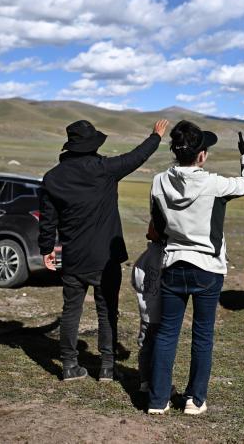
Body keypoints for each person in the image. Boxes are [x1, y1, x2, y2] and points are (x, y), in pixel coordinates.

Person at [38, 118, 170, 382]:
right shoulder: (104, 169)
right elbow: (136, 157)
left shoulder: (52, 178)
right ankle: (107, 367)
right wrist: (155, 136)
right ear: (93, 146)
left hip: (73, 256)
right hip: (105, 258)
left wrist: (47, 248)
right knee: (107, 310)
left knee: (71, 311)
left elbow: (48, 219)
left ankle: (69, 365)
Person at [147, 121, 244, 415]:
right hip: (208, 267)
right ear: (202, 155)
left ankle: (158, 400)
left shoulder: (158, 182)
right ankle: (195, 400)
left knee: (167, 333)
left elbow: (157, 223)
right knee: (203, 334)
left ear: (175, 151)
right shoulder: (214, 184)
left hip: (173, 264)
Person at [130, 221, 166, 393]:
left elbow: (135, 281)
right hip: (162, 313)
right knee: (161, 347)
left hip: (146, 311)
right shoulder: (167, 257)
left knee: (145, 345)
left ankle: (144, 380)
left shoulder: (144, 257)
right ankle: (157, 382)